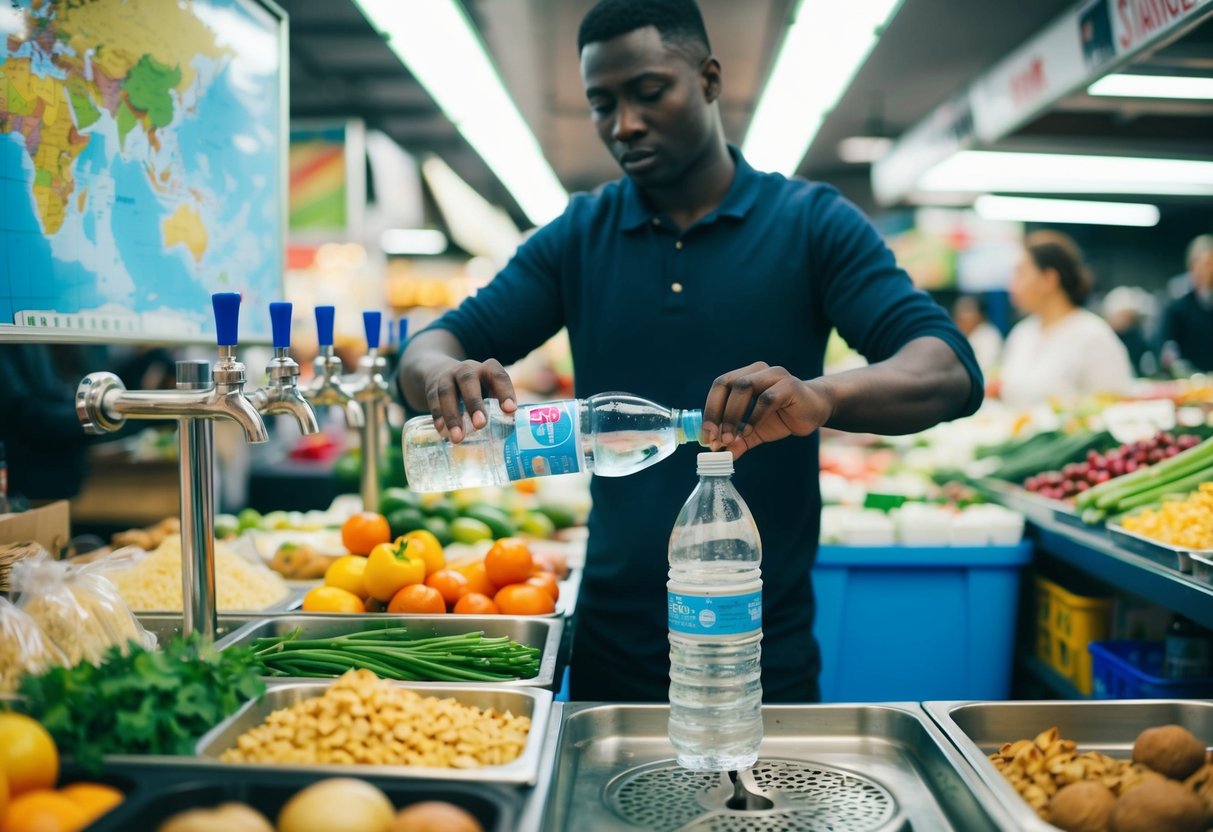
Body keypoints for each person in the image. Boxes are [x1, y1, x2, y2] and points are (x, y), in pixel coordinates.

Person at [398, 0, 981, 702]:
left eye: (647, 93)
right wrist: (441, 372)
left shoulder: (809, 224)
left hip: (761, 646)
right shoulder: (580, 235)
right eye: (600, 103)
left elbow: (947, 366)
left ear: (708, 80)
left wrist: (823, 396)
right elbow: (431, 346)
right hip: (613, 646)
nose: (624, 124)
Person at [999, 231, 1133, 409]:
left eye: (1020, 273)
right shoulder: (1021, 334)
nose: (1011, 284)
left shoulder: (1093, 336)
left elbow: (1117, 405)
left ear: (1049, 279)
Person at [1158, 234, 1213, 374]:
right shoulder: (1178, 309)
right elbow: (1166, 347)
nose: (1205, 270)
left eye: (1208, 264)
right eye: (1199, 264)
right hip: (1191, 385)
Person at [951, 294, 1002, 377]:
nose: (962, 317)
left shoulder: (988, 335)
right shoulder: (962, 335)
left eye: (967, 310)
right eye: (960, 311)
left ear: (980, 314)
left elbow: (985, 368)